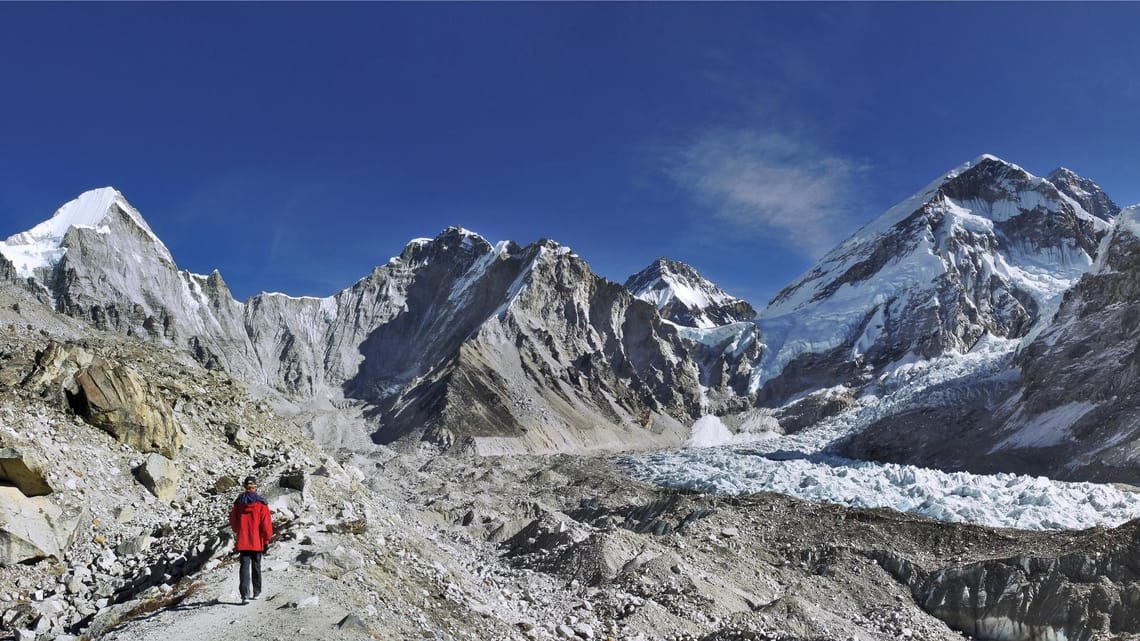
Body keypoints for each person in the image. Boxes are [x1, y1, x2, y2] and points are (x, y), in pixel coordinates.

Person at [229, 475, 273, 605]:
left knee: (244, 567)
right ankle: (257, 591)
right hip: (257, 541)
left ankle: (244, 595)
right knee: (256, 566)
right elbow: (266, 524)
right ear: (255, 486)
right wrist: (266, 541)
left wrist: (240, 531)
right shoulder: (261, 503)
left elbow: (233, 521)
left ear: (244, 487)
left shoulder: (238, 503)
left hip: (243, 541)